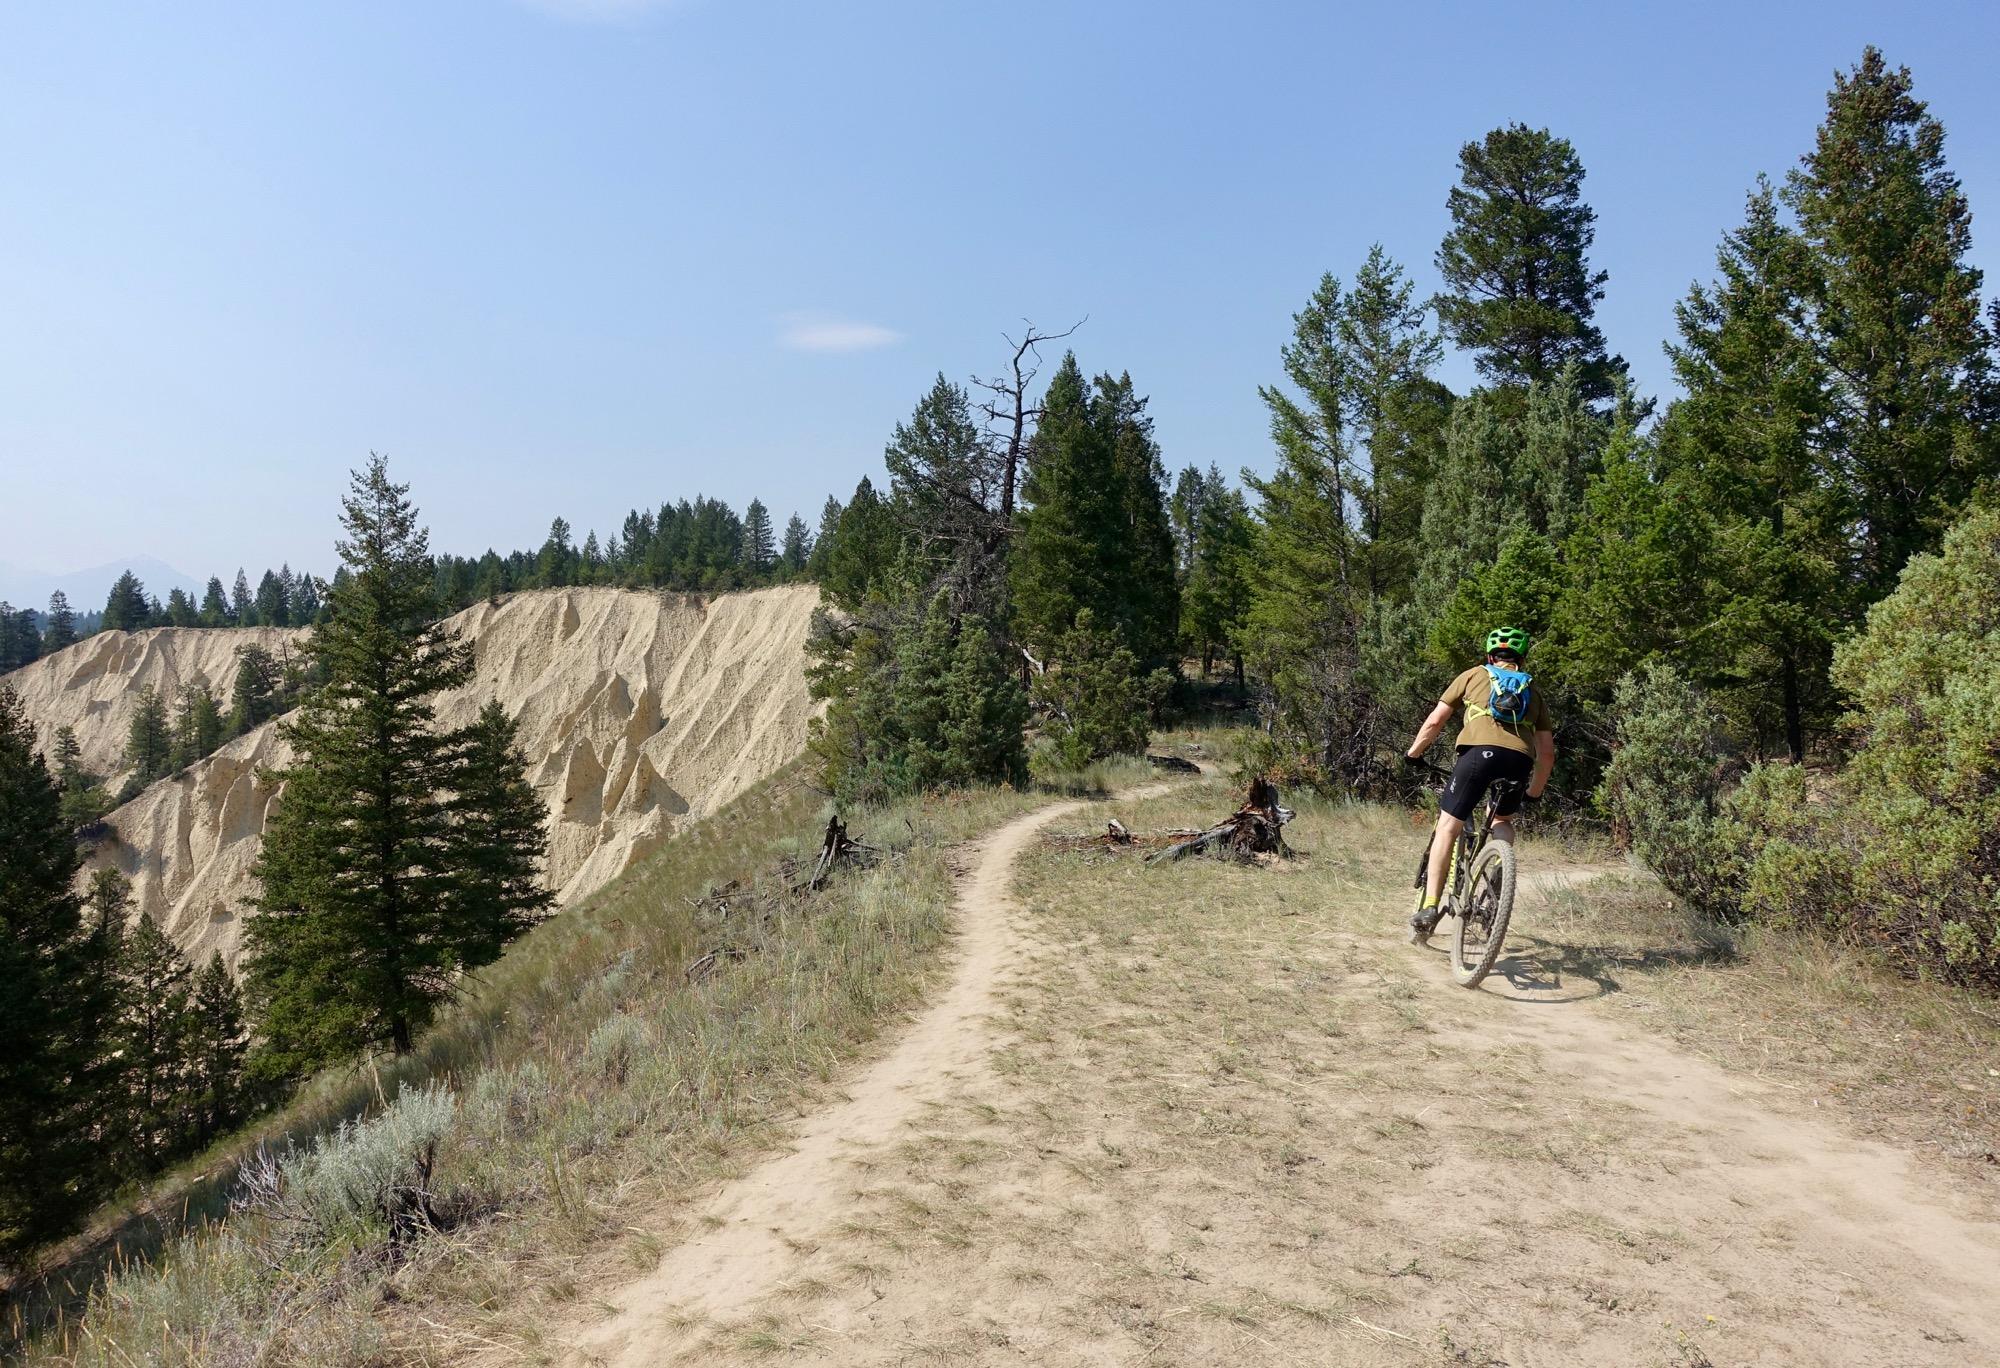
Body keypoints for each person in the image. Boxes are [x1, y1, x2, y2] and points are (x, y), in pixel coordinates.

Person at [1401, 626, 1555, 945]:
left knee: (1448, 826)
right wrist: (1534, 793)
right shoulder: (1533, 691)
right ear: (1521, 659)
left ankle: (1430, 906)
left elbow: (1435, 721)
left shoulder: (1473, 675)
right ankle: (1499, 870)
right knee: (1501, 822)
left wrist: (1414, 754)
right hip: (1519, 761)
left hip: (1477, 756)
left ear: (1489, 655)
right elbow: (1548, 754)